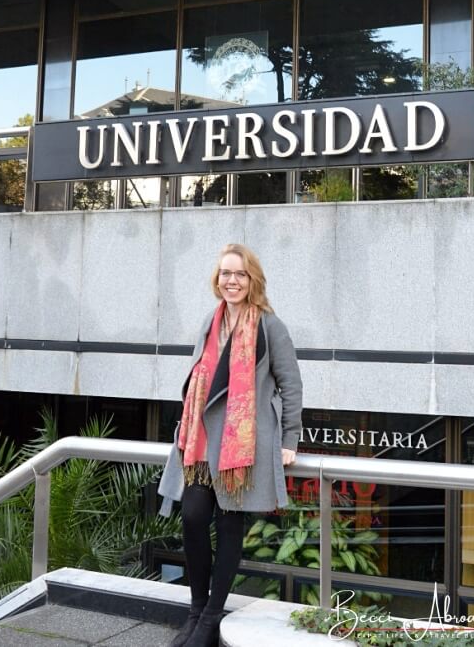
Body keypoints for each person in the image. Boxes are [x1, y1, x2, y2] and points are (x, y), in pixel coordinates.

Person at [157, 243, 303, 647]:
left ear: (252, 279)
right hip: (203, 442)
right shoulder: (211, 319)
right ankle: (195, 609)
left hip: (241, 445)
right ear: (217, 279)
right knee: (192, 516)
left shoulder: (270, 326)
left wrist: (290, 438)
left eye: (239, 274)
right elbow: (199, 376)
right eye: (225, 274)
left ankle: (209, 620)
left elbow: (291, 383)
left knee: (228, 523)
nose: (232, 281)